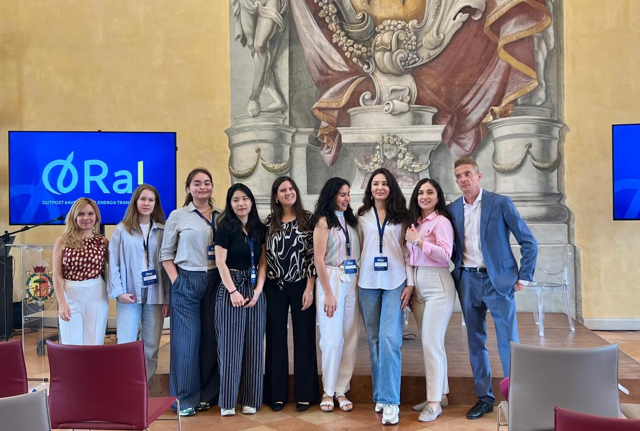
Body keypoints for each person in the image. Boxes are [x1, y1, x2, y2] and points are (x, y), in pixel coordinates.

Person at [448, 158, 538, 419]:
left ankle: (517, 399)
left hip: (498, 280)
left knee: (508, 342)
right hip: (467, 281)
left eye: (467, 174)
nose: (463, 179)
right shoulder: (452, 209)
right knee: (475, 342)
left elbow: (529, 241)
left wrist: (524, 276)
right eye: (458, 176)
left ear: (479, 176)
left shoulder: (500, 203)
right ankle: (484, 398)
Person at [160, 168, 221, 417]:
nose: (202, 187)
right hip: (187, 278)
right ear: (188, 188)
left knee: (210, 340)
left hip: (215, 279)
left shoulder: (221, 215)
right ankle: (184, 398)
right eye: (197, 183)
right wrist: (177, 282)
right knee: (187, 342)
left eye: (206, 182)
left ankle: (206, 395)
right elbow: (166, 254)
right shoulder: (178, 216)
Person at [356, 168, 412, 425]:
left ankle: (391, 401)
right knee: (375, 340)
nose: (380, 187)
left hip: (395, 282)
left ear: (391, 188)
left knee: (390, 338)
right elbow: (359, 247)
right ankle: (380, 393)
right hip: (367, 283)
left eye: (384, 183)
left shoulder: (403, 216)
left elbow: (407, 252)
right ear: (370, 188)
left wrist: (410, 283)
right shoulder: (361, 216)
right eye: (375, 183)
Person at [264, 177, 319, 412]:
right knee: (275, 339)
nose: (288, 192)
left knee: (304, 338)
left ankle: (305, 394)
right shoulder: (269, 222)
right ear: (276, 196)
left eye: (291, 188)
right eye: (282, 190)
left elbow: (312, 256)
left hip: (302, 286)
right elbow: (265, 256)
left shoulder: (308, 219)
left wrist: (310, 288)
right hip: (274, 287)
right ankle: (276, 394)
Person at [404, 178, 456, 422]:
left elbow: (446, 254)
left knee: (431, 343)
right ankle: (440, 394)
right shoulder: (415, 223)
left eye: (430, 192)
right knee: (431, 344)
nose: (424, 196)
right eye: (420, 193)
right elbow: (408, 257)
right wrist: (410, 284)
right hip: (418, 285)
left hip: (438, 285)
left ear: (438, 196)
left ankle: (434, 403)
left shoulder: (441, 221)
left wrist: (419, 241)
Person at [214, 183, 268, 416]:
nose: (241, 203)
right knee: (230, 347)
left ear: (251, 201)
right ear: (230, 203)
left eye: (245, 198)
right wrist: (233, 292)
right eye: (235, 200)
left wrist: (258, 290)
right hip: (231, 286)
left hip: (255, 288)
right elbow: (220, 262)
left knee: (255, 346)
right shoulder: (225, 228)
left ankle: (251, 399)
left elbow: (263, 262)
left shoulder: (260, 228)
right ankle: (227, 401)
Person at [108, 184, 170, 385]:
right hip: (129, 294)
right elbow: (113, 264)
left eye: (151, 200)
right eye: (143, 199)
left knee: (151, 346)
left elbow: (167, 266)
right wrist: (119, 292)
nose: (146, 203)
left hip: (155, 294)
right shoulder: (121, 230)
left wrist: (167, 298)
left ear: (155, 204)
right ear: (135, 201)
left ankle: (144, 387)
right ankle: (125, 386)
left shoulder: (162, 231)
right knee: (126, 344)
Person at [313, 177, 361, 413]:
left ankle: (341, 389)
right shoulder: (323, 222)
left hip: (351, 279)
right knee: (332, 339)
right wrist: (328, 293)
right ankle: (328, 390)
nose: (347, 199)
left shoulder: (350, 220)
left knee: (350, 336)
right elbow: (318, 260)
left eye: (348, 194)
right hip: (331, 279)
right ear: (331, 195)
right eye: (342, 194)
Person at [52, 197, 108, 345]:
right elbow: (57, 274)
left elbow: (116, 267)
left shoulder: (102, 242)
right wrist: (62, 303)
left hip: (96, 293)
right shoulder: (62, 241)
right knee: (71, 343)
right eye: (81, 214)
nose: (86, 218)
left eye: (90, 214)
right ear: (74, 217)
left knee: (94, 342)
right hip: (70, 293)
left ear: (96, 217)